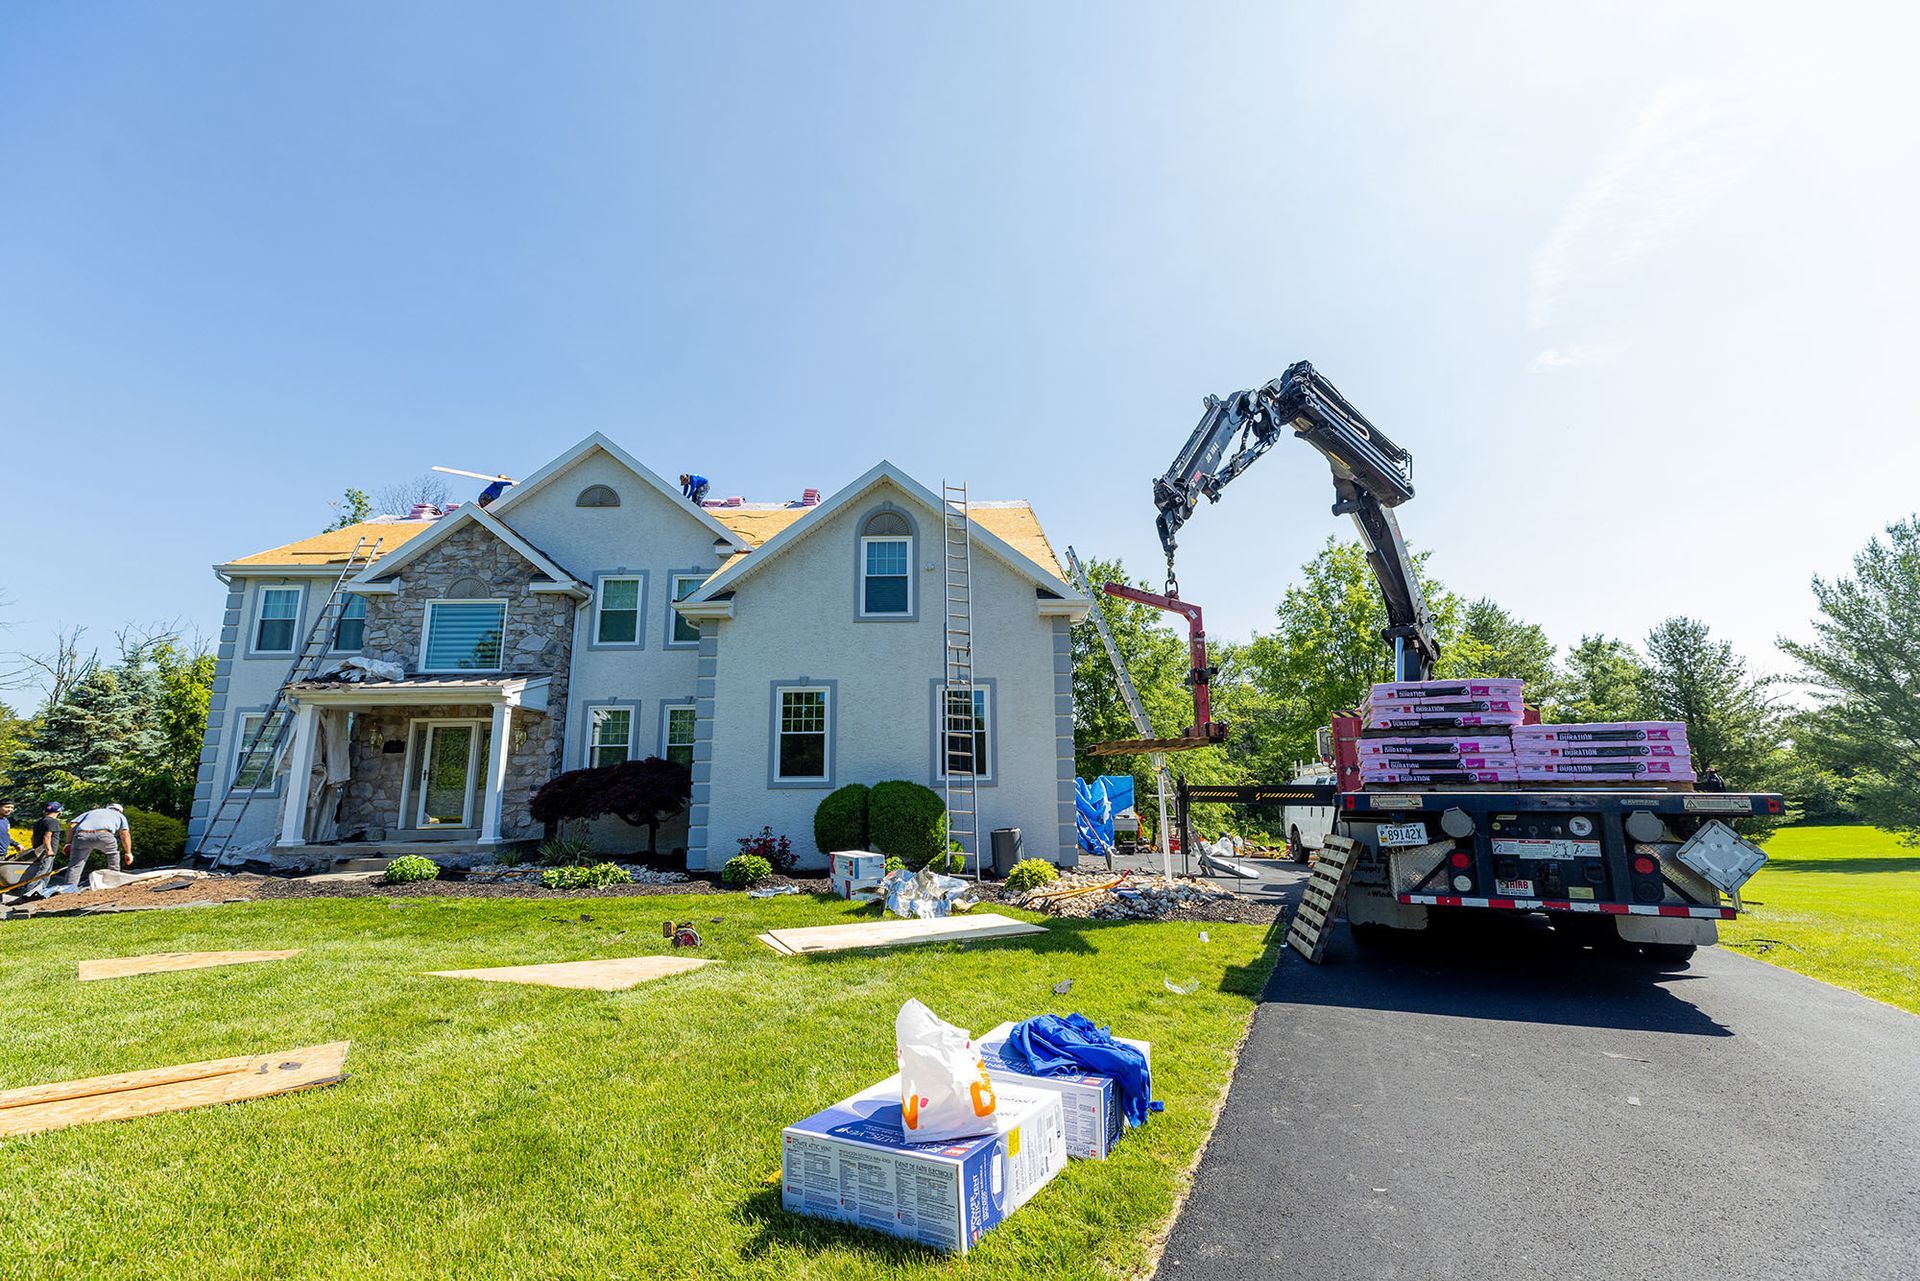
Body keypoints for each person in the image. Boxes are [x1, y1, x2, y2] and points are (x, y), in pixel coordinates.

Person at [62, 802, 133, 892]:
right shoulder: (120, 815)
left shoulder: (91, 812)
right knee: (113, 856)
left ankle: (68, 889)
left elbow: (72, 826)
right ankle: (115, 882)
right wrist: (128, 852)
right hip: (104, 835)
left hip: (82, 835)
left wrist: (68, 843)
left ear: (107, 808)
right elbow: (125, 834)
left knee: (75, 865)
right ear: (120, 811)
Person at [20, 802, 63, 898]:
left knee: (45, 873)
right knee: (43, 872)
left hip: (38, 851)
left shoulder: (39, 822)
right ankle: (29, 892)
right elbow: (47, 837)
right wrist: (49, 850)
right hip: (46, 852)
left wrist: (35, 848)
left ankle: (40, 892)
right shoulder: (53, 822)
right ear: (58, 811)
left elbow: (32, 838)